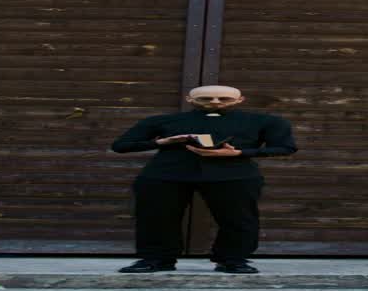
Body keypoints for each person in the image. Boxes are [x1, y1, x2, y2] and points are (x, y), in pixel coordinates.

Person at [109, 85, 298, 274]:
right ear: (189, 99)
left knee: (238, 219)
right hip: (165, 174)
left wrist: (239, 152)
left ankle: (232, 260)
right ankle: (156, 259)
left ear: (240, 99)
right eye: (206, 98)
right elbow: (121, 146)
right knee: (156, 217)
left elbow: (285, 147)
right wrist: (162, 142)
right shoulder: (162, 120)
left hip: (234, 174)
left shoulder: (266, 121)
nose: (215, 102)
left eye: (223, 99)